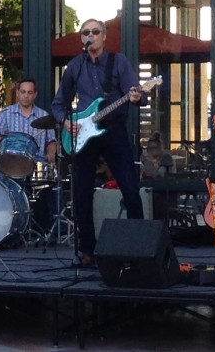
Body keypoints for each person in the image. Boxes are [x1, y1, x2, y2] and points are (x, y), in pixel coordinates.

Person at [51, 18, 144, 268]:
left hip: (113, 131)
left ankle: (140, 250)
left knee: (131, 190)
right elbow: (59, 104)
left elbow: (136, 92)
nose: (90, 36)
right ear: (82, 38)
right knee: (81, 195)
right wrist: (65, 122)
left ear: (104, 36)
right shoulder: (75, 66)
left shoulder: (119, 62)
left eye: (95, 32)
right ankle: (87, 251)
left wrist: (137, 96)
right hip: (83, 134)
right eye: (85, 32)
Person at [0, 77, 57, 170]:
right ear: (17, 93)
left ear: (35, 94)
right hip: (10, 165)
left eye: (30, 92)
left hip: (36, 166)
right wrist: (10, 141)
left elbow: (51, 142)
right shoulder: (5, 114)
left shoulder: (44, 115)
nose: (26, 96)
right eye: (23, 92)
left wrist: (51, 153)